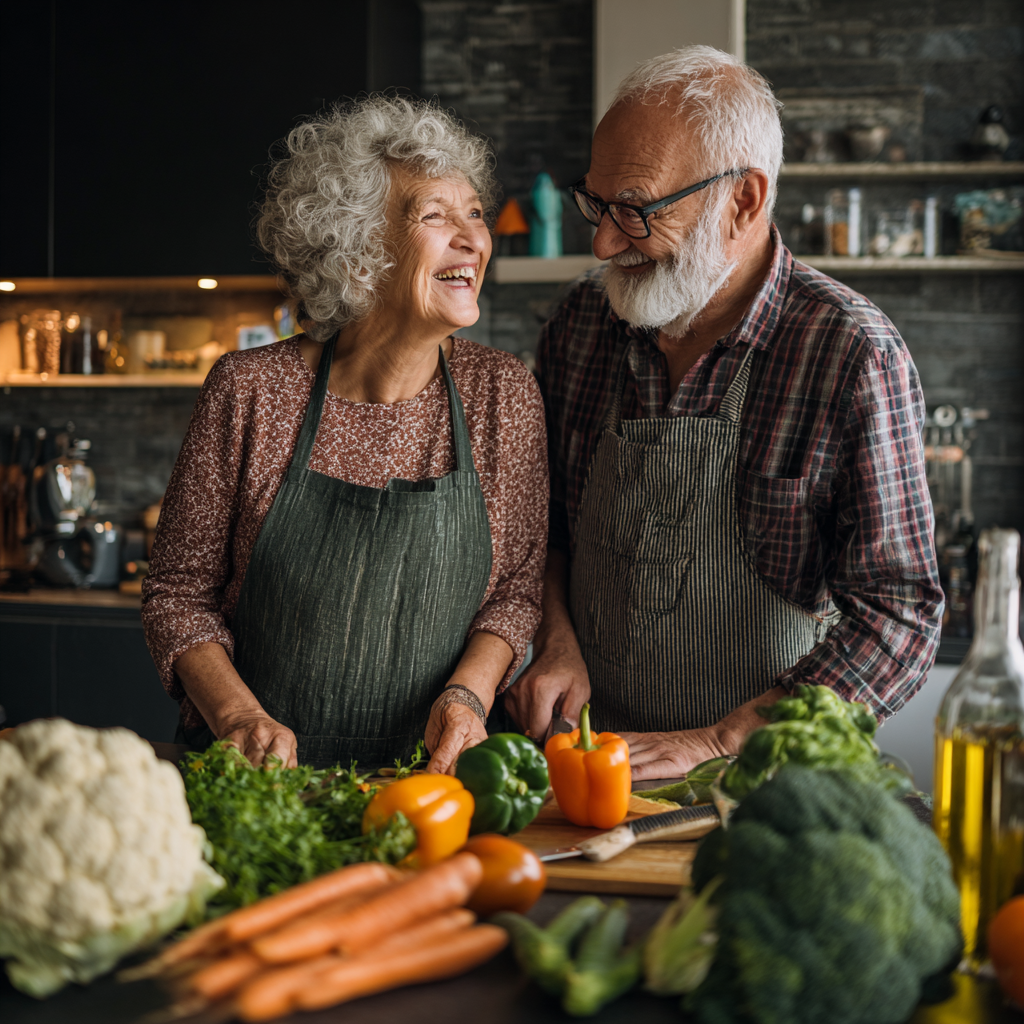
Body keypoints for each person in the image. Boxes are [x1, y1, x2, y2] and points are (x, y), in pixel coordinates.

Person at [506, 46, 943, 779]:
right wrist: (554, 640)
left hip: (769, 783)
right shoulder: (583, 321)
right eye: (596, 203)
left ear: (741, 201)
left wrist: (718, 742)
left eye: (637, 210)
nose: (604, 241)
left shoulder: (849, 353)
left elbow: (898, 617)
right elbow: (541, 525)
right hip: (583, 770)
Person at [143, 97, 547, 773]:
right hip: (259, 787)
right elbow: (178, 595)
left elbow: (515, 594)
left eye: (474, 214)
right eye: (435, 216)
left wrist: (466, 699)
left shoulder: (502, 394)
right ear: (358, 255)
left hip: (433, 784)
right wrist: (240, 719)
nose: (475, 239)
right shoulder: (250, 390)